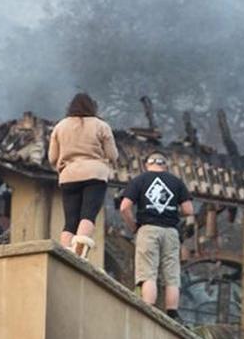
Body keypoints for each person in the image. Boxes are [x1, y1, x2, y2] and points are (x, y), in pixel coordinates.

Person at [118, 152, 193, 321]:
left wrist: (134, 226)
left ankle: (148, 309)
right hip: (171, 231)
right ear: (165, 165)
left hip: (148, 229)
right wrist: (171, 211)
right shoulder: (176, 182)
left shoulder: (139, 180)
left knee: (148, 273)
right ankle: (172, 313)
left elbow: (124, 207)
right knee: (172, 274)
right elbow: (189, 210)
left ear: (147, 164)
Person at [47, 93, 119, 258]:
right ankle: (79, 255)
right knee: (88, 215)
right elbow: (113, 155)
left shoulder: (60, 127)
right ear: (92, 107)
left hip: (68, 176)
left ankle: (65, 256)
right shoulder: (101, 126)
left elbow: (52, 158)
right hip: (95, 175)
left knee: (70, 221)